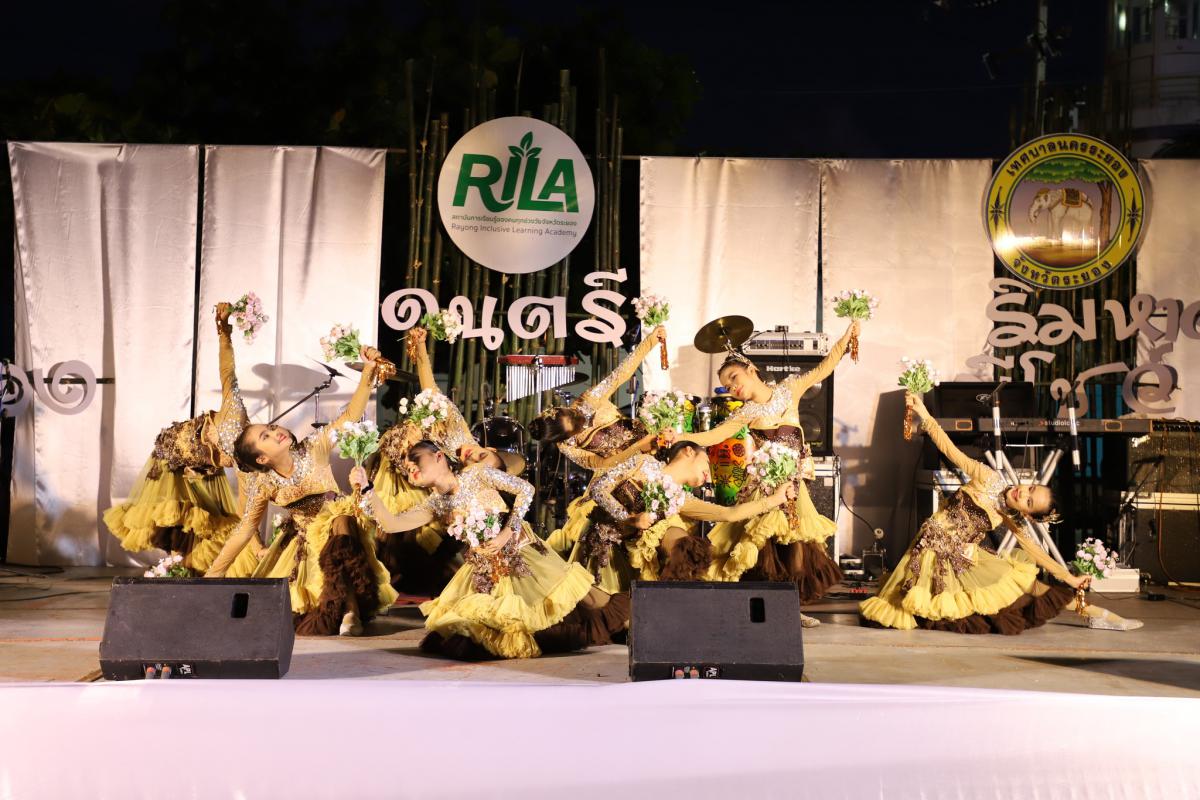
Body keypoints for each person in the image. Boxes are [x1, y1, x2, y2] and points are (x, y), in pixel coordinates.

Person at [859, 392, 1143, 634]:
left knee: (1028, 584)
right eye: (1030, 488)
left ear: (1027, 514)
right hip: (927, 551)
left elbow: (1037, 552)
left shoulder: (1012, 518)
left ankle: (1098, 614)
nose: (1023, 493)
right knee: (901, 611)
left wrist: (1070, 579)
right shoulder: (988, 477)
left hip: (960, 558)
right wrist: (924, 414)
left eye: (1029, 501)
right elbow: (949, 448)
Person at [352, 441, 628, 660]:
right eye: (407, 467)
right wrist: (366, 489)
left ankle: (634, 625)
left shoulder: (476, 474)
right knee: (485, 627)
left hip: (523, 553)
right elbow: (392, 523)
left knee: (586, 598)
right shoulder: (436, 503)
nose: (411, 469)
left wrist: (508, 530)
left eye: (416, 460)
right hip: (486, 570)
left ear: (438, 457)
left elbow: (525, 489)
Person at [204, 345, 397, 637]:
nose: (276, 432)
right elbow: (245, 529)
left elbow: (349, 416)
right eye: (266, 436)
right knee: (298, 610)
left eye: (271, 428)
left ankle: (351, 611)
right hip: (305, 540)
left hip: (342, 525)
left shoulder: (314, 448)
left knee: (340, 523)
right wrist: (213, 575)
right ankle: (344, 609)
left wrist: (367, 372)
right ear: (261, 459)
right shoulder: (264, 484)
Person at [682, 318, 861, 625]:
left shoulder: (789, 390)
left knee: (796, 549)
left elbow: (824, 368)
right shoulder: (745, 413)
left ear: (751, 369)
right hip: (763, 487)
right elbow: (712, 436)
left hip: (793, 487)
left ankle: (791, 609)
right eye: (728, 386)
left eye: (734, 377)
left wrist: (847, 337)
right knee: (760, 548)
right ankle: (753, 610)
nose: (733, 387)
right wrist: (680, 437)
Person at [103, 303, 259, 576]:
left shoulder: (248, 465)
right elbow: (228, 372)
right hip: (174, 452)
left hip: (201, 468)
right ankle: (176, 565)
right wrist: (224, 332)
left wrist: (257, 546)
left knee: (209, 523)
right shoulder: (235, 412)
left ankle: (187, 570)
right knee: (174, 515)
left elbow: (246, 510)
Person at [369, 327, 526, 596]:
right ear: (488, 447)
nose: (470, 457)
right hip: (402, 472)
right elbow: (431, 391)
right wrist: (420, 347)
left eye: (474, 462)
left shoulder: (468, 477)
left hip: (425, 487)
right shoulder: (458, 432)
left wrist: (507, 532)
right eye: (481, 455)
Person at [574, 441, 795, 593]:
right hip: (599, 547)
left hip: (628, 558)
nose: (709, 474)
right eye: (707, 462)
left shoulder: (680, 499)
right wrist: (629, 518)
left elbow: (728, 514)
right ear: (688, 451)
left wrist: (775, 499)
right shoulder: (643, 463)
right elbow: (598, 488)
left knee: (688, 549)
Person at [534, 326, 668, 556]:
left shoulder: (586, 402)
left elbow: (620, 375)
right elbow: (603, 464)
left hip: (649, 440)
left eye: (570, 413)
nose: (578, 418)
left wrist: (649, 342)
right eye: (574, 426)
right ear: (564, 437)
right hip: (622, 468)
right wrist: (637, 449)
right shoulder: (567, 446)